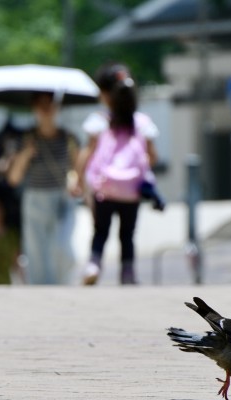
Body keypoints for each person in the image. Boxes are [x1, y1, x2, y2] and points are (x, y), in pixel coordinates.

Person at [76, 63, 163, 286]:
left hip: (104, 188)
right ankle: (127, 273)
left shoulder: (99, 121)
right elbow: (153, 156)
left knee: (100, 231)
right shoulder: (142, 123)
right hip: (131, 190)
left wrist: (78, 179)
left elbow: (87, 153)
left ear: (105, 94)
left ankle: (94, 264)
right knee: (127, 235)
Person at [6, 93, 80, 285]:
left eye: (50, 104)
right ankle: (40, 293)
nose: (46, 110)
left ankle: (62, 286)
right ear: (34, 108)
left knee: (62, 247)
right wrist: (26, 154)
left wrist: (75, 182)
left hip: (62, 199)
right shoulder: (26, 138)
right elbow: (14, 178)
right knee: (36, 252)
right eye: (41, 105)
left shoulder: (69, 138)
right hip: (35, 198)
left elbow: (78, 171)